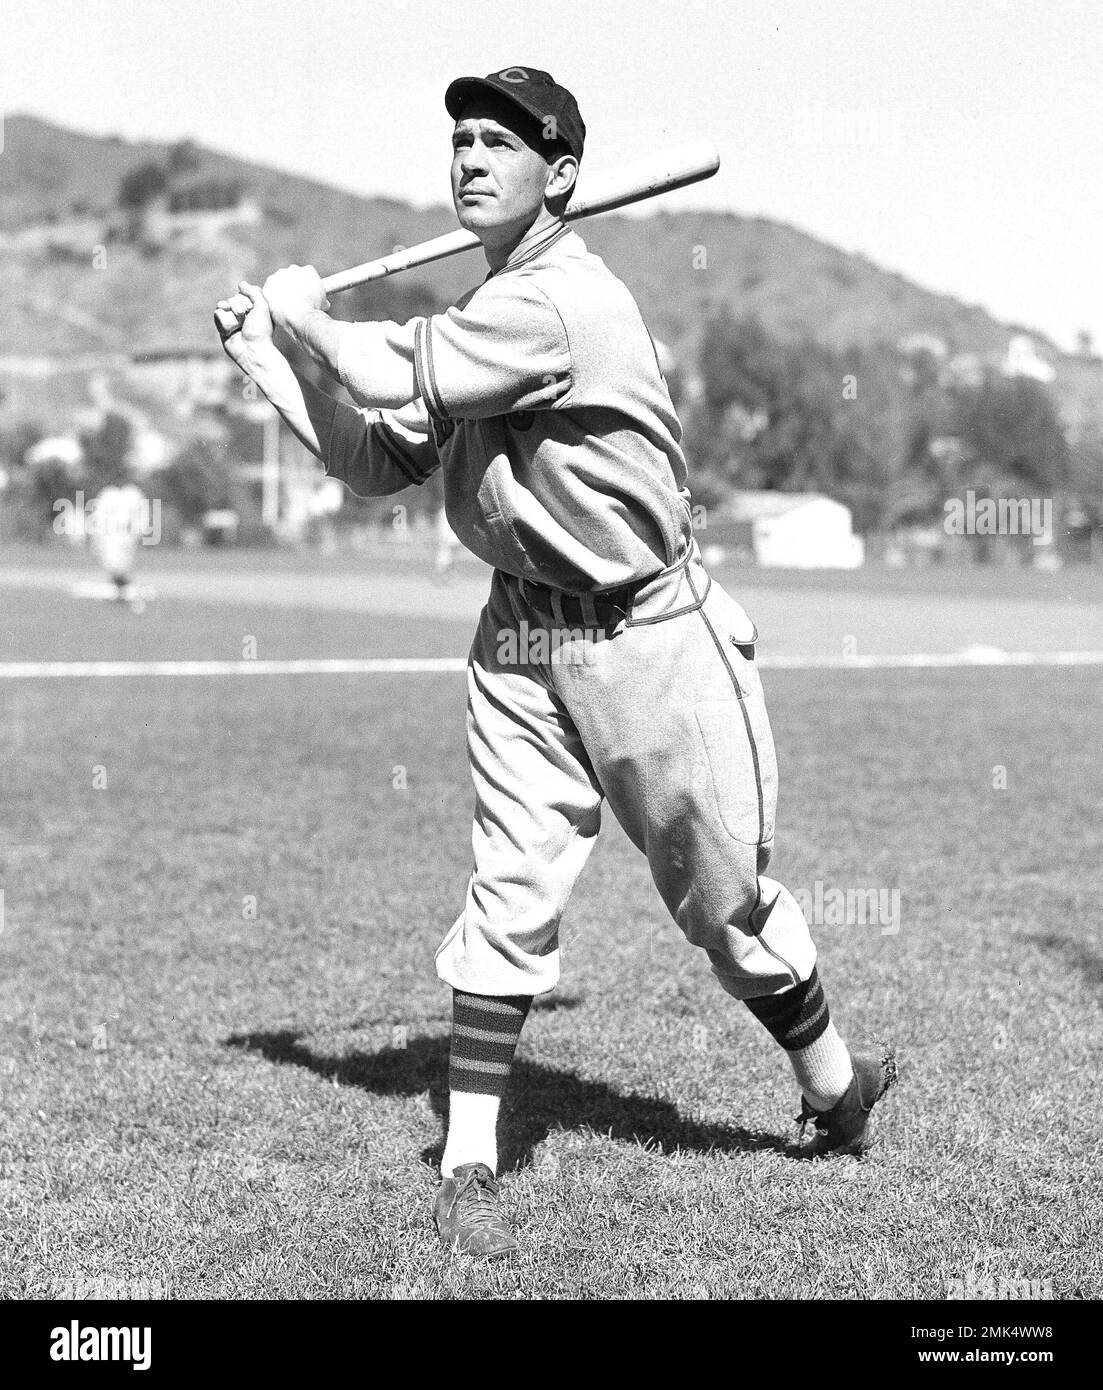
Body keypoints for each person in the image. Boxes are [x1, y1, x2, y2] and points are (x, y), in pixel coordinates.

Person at [215, 66, 896, 1261]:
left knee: (723, 908)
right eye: (459, 141)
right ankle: (469, 1153)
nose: (468, 159)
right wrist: (275, 364)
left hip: (649, 635)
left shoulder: (563, 305)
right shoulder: (488, 309)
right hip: (525, 635)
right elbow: (377, 458)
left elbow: (386, 366)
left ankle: (836, 1089)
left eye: (497, 143)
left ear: (560, 177)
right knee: (509, 883)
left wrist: (309, 320)